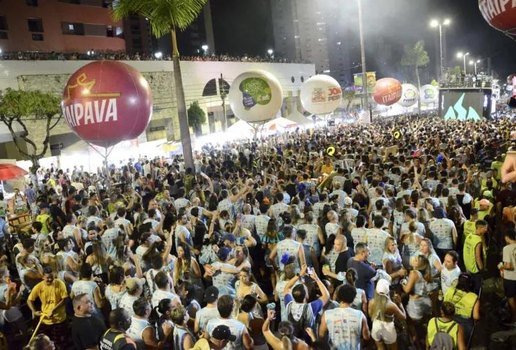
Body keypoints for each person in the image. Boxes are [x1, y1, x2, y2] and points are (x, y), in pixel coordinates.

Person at [283, 265, 330, 339]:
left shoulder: (289, 305)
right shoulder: (311, 308)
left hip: (293, 341)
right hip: (308, 343)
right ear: (306, 296)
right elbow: (326, 295)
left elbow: (287, 288)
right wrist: (316, 278)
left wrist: (299, 275)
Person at [27, 267, 68, 349]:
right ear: (43, 277)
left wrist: (53, 310)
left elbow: (64, 299)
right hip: (45, 319)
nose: (49, 279)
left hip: (59, 319)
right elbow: (29, 300)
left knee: (59, 342)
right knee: (46, 344)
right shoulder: (38, 287)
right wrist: (34, 311)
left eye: (51, 277)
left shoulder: (60, 284)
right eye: (47, 278)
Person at [319, 284, 370, 349]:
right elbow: (366, 337)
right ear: (353, 298)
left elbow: (321, 335)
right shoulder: (360, 315)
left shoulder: (327, 314)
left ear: (339, 297)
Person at [368, 279, 406, 350]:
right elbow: (403, 317)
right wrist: (400, 304)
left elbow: (370, 315)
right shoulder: (391, 305)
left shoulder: (371, 302)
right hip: (388, 329)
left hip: (376, 326)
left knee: (380, 347)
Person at [443, 273, 480, 343]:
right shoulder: (474, 297)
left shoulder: (450, 290)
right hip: (465, 323)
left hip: (450, 318)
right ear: (470, 284)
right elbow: (476, 316)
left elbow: (444, 305)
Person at [463, 220, 488, 293]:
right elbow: (478, 257)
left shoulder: (469, 236)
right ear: (480, 228)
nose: (486, 230)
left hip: (468, 265)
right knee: (477, 288)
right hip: (475, 269)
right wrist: (481, 269)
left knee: (470, 284)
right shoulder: (478, 240)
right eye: (485, 228)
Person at [500, 228, 516, 323]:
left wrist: (502, 266)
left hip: (511, 278)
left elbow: (508, 266)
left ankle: (514, 316)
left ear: (507, 238)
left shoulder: (507, 249)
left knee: (510, 297)